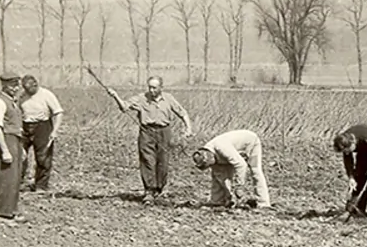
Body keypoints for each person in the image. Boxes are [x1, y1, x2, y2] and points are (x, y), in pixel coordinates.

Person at [106, 76, 192, 204]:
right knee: (147, 160)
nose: (151, 90)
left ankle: (158, 188)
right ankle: (149, 191)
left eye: (154, 88)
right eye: (150, 87)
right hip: (146, 132)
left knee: (163, 161)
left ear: (161, 88)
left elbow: (182, 113)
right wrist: (115, 96)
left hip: (164, 132)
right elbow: (124, 107)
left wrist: (188, 128)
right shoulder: (141, 98)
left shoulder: (168, 98)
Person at [192, 129, 272, 209]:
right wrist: (228, 196)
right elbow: (219, 175)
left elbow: (241, 165)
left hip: (251, 143)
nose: (209, 166)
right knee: (218, 174)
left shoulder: (222, 148)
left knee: (255, 171)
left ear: (210, 158)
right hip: (230, 151)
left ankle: (263, 202)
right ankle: (218, 201)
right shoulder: (207, 152)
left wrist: (239, 187)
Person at [0, 71, 27, 225]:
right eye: (12, 84)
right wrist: (4, 150)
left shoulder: (13, 101)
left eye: (17, 84)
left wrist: (21, 148)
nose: (16, 87)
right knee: (6, 178)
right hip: (5, 140)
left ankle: (11, 209)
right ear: (3, 85)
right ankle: (2, 214)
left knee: (15, 178)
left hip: (15, 140)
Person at [19, 74, 65, 192]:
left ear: (35, 85)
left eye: (29, 88)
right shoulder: (22, 96)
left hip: (42, 126)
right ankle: (18, 182)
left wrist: (55, 130)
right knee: (20, 155)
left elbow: (58, 112)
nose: (27, 91)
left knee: (43, 157)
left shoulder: (46, 95)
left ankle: (41, 185)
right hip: (25, 125)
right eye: (25, 88)